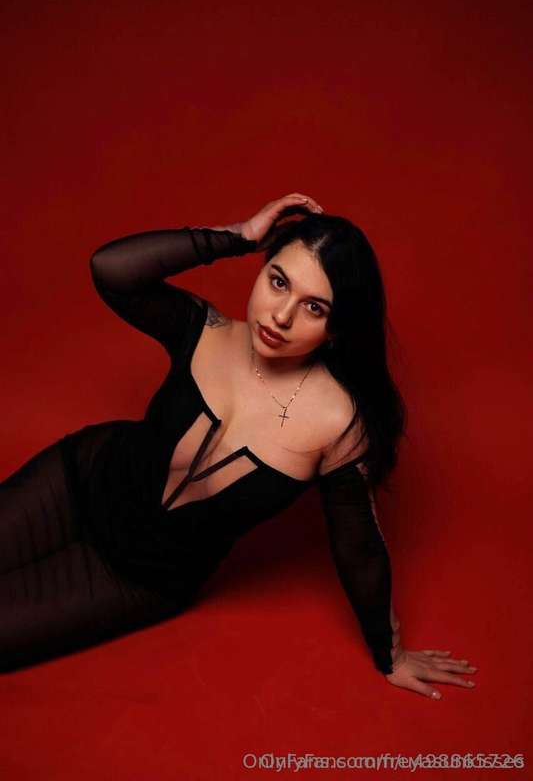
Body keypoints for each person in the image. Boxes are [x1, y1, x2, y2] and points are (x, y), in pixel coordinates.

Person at [0, 192, 476, 698]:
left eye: (314, 307)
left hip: (134, 578)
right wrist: (238, 236)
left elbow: (358, 543)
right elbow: (110, 270)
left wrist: (390, 653)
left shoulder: (337, 424)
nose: (281, 316)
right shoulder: (205, 330)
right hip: (76, 484)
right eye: (278, 282)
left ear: (336, 330)